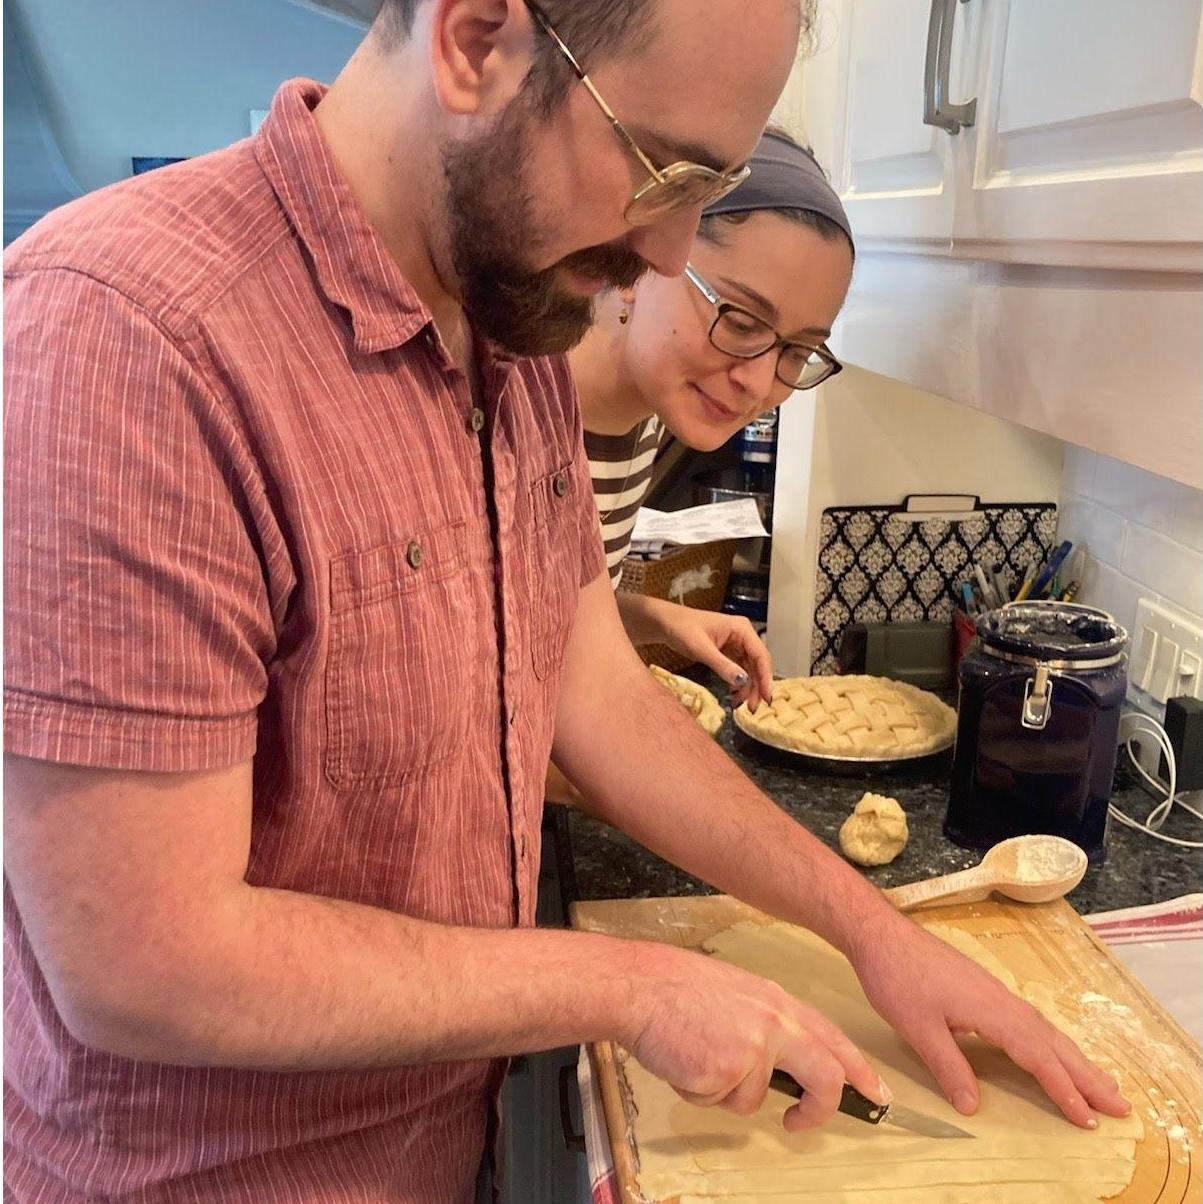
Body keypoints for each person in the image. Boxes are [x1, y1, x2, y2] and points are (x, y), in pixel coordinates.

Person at [3, 3, 1128, 1204]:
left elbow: (598, 699)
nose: (666, 251)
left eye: (715, 185)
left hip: (440, 1145)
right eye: (662, 169)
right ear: (477, 37)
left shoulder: (515, 326)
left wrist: (873, 930)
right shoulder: (124, 340)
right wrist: (631, 985)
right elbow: (144, 962)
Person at [576, 128, 852, 710]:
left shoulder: (647, 417)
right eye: (742, 321)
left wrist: (659, 618)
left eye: (798, 352)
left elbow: (542, 614)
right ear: (644, 258)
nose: (759, 381)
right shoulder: (512, 410)